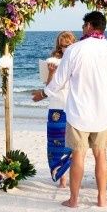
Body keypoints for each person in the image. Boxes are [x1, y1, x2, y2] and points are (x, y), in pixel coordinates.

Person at [32, 11, 107, 207]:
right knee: (101, 155)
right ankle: (102, 199)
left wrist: (43, 94)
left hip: (79, 113)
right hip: (103, 113)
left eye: (83, 26)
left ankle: (74, 200)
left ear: (89, 26)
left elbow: (58, 82)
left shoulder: (74, 50)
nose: (82, 29)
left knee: (78, 155)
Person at [42, 31, 76, 188]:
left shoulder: (77, 60)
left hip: (72, 106)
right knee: (55, 144)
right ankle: (62, 178)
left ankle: (73, 178)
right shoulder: (53, 60)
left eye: (67, 45)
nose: (64, 49)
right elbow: (48, 87)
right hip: (56, 106)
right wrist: (51, 72)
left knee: (71, 143)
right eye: (62, 46)